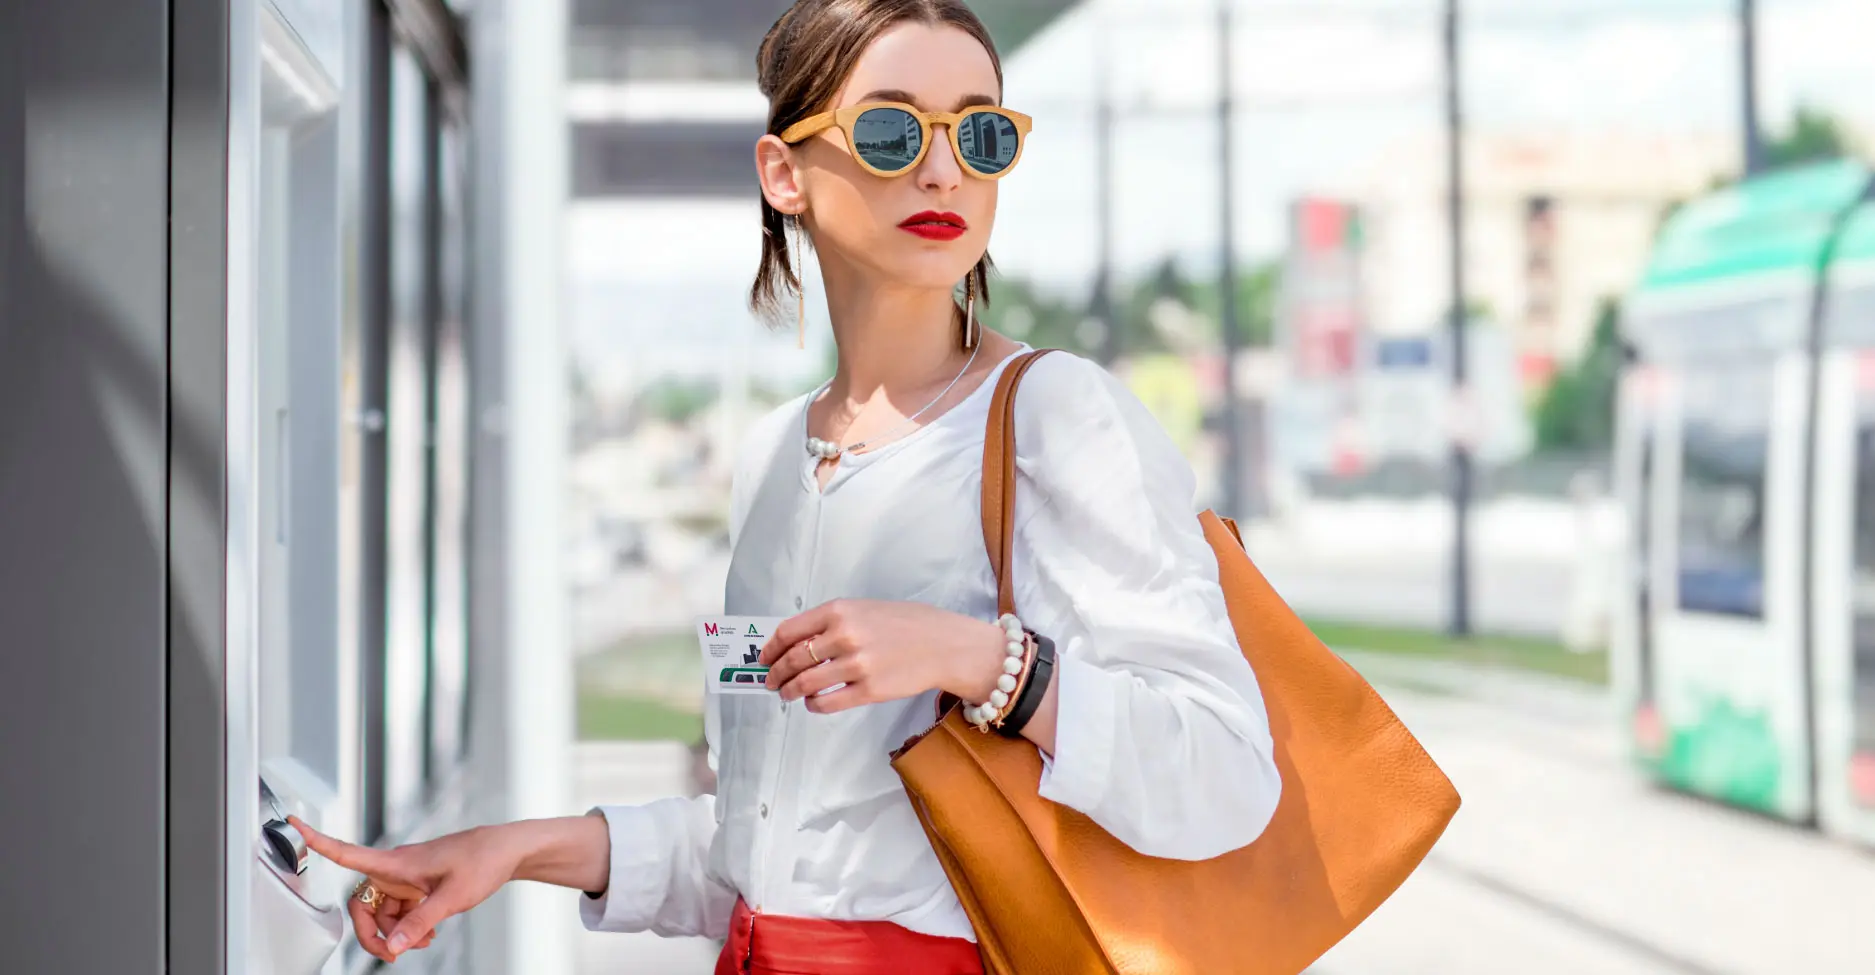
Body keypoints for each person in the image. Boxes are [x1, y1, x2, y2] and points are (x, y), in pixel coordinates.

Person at [295, 1, 1281, 971]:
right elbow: (762, 858)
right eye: (893, 131)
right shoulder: (776, 456)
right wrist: (514, 850)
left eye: (979, 134)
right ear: (785, 173)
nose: (943, 168)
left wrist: (979, 660)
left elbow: (1225, 778)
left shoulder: (1058, 417)